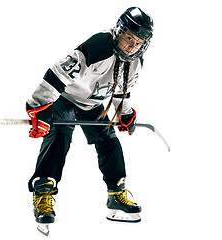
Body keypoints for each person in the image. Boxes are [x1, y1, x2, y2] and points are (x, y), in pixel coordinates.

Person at [25, 7, 154, 233]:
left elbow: (121, 91)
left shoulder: (135, 63)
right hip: (65, 98)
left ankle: (116, 194)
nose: (132, 46)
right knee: (61, 133)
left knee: (109, 140)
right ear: (119, 32)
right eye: (129, 38)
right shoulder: (98, 46)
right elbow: (57, 72)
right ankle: (43, 192)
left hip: (92, 105)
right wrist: (39, 107)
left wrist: (124, 114)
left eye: (138, 42)